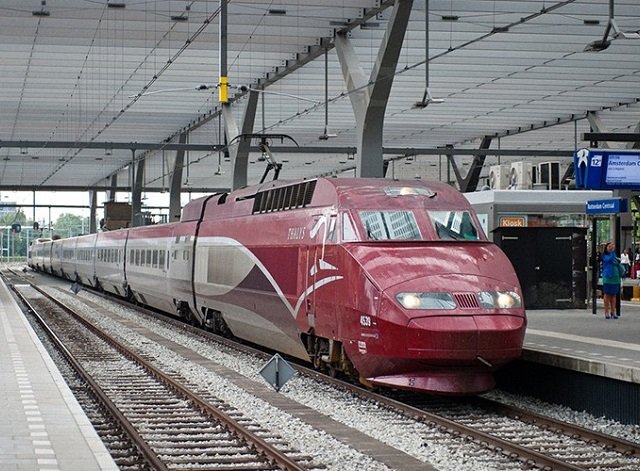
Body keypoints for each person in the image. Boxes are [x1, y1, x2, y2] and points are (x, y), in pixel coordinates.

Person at [601, 241, 621, 319]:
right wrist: (612, 253)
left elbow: (617, 262)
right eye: (609, 246)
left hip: (615, 277)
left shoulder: (614, 255)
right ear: (606, 248)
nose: (611, 248)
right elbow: (609, 260)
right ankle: (606, 312)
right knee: (607, 294)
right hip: (608, 277)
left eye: (612, 246)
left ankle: (613, 311)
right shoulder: (605, 256)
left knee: (613, 294)